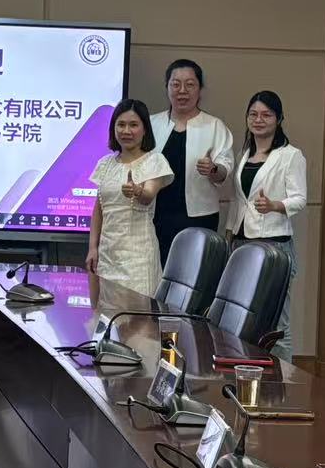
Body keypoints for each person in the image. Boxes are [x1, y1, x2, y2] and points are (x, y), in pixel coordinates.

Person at [226, 90, 308, 358]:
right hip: (242, 244)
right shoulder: (246, 153)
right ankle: (247, 372)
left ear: (279, 119)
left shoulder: (290, 155)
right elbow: (239, 199)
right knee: (242, 318)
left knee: (277, 323)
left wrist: (274, 205)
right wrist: (230, 232)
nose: (258, 120)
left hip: (274, 246)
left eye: (266, 115)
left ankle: (285, 379)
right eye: (253, 114)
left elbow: (300, 199)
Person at [85, 98, 174, 295]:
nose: (126, 131)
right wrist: (92, 248)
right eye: (121, 125)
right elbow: (99, 210)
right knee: (108, 311)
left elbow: (148, 196)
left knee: (138, 312)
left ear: (145, 129)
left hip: (138, 258)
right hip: (107, 256)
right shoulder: (105, 164)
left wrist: (137, 191)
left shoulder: (155, 160)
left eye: (133, 125)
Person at [149, 59, 234, 261]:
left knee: (194, 272)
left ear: (200, 89)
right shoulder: (152, 124)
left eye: (190, 84)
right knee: (156, 273)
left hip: (199, 217)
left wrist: (213, 169)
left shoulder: (214, 126)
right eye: (175, 84)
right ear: (167, 87)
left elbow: (225, 171)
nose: (182, 91)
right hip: (155, 216)